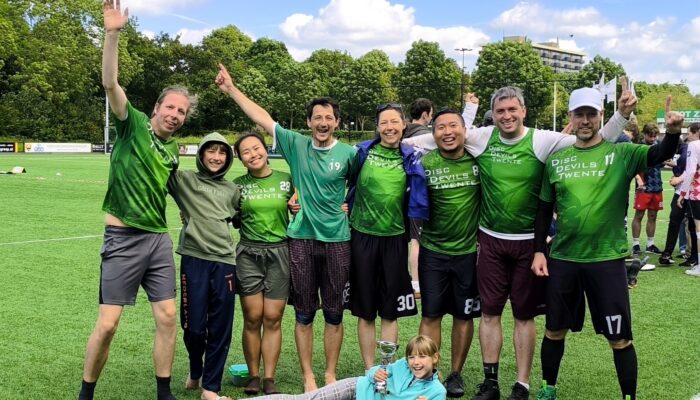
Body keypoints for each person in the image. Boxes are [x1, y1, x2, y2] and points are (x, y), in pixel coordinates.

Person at [404, 83, 636, 400]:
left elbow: (594, 139)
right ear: (494, 115)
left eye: (513, 109)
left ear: (523, 111)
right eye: (500, 111)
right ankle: (490, 382)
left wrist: (621, 116)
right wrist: (393, 140)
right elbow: (445, 134)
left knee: (524, 316)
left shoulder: (543, 140)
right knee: (489, 314)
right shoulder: (483, 137)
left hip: (529, 244)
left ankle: (522, 384)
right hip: (491, 243)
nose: (507, 115)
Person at [79, 2, 196, 399]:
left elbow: (170, 187)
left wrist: (188, 211)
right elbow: (110, 84)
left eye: (181, 112)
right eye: (170, 107)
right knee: (108, 324)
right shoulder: (133, 127)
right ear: (157, 108)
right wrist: (112, 34)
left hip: (157, 242)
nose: (175, 115)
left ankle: (163, 392)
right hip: (122, 240)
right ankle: (86, 392)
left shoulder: (172, 150)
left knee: (166, 317)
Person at [531, 90, 681, 400]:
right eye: (579, 114)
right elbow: (544, 209)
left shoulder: (621, 153)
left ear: (601, 115)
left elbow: (657, 154)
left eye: (591, 114)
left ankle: (629, 396)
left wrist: (673, 132)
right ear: (570, 118)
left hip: (607, 260)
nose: (585, 120)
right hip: (564, 259)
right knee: (554, 329)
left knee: (619, 337)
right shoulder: (556, 160)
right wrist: (537, 250)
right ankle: (548, 388)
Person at [216, 64, 356, 392]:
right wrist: (232, 89)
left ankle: (330, 373)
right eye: (317, 117)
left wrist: (350, 204)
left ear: (336, 121)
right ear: (309, 122)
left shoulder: (350, 154)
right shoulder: (295, 144)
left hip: (338, 239)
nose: (323, 122)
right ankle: (308, 375)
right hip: (300, 240)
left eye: (329, 117)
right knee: (305, 313)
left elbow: (362, 187)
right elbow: (262, 118)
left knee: (334, 313)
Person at [345, 103, 427, 370]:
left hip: (395, 239)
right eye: (383, 123)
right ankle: (370, 370)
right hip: (362, 237)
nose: (389, 127)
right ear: (377, 126)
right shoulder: (361, 152)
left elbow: (453, 134)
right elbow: (336, 179)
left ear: (403, 124)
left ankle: (387, 367)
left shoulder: (412, 155)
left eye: (394, 122)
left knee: (390, 310)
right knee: (366, 310)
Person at [167, 133, 240, 400]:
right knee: (194, 327)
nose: (216, 157)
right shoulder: (184, 180)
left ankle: (211, 388)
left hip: (225, 263)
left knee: (221, 327)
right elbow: (161, 166)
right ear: (201, 154)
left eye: (222, 152)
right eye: (211, 151)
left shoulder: (233, 190)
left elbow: (240, 217)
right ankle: (196, 369)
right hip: (194, 259)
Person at [417, 108, 481, 398]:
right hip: (432, 252)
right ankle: (430, 373)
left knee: (463, 316)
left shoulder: (479, 161)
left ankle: (455, 374)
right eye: (440, 127)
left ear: (464, 130)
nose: (447, 132)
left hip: (469, 253)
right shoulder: (424, 163)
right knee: (431, 315)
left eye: (453, 125)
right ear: (433, 134)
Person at [232, 132, 294, 395]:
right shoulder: (236, 185)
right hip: (248, 254)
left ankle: (269, 377)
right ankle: (254, 376)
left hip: (280, 252)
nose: (253, 154)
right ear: (241, 159)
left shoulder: (287, 180)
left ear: (266, 150)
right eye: (246, 152)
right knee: (253, 317)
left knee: (273, 318)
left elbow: (305, 203)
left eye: (256, 148)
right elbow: (224, 214)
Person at [250, 335, 446, 400]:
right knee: (306, 399)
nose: (415, 362)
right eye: (411, 356)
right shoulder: (402, 365)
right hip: (357, 387)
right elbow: (373, 373)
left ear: (434, 358)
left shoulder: (437, 392)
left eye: (422, 356)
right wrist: (373, 374)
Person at [403, 98, 434, 299]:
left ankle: (415, 281)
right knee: (418, 240)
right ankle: (416, 283)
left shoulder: (402, 131)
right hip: (420, 194)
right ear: (425, 114)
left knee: (411, 239)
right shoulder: (426, 135)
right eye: (431, 114)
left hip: (403, 192)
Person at [659, 122, 700, 267]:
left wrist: (679, 181)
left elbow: (691, 171)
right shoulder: (687, 148)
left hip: (690, 191)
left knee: (692, 225)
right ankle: (670, 253)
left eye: (689, 133)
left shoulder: (691, 147)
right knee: (677, 221)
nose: (686, 136)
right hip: (686, 191)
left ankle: (694, 257)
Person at [631, 124, 664, 255]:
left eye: (654, 136)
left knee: (653, 216)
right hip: (643, 188)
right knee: (639, 215)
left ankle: (650, 245)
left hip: (657, 186)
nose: (652, 138)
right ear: (644, 134)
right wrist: (639, 180)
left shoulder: (659, 146)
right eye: (650, 136)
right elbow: (633, 166)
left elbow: (662, 162)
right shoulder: (638, 147)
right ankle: (636, 244)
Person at [677, 123, 700, 277]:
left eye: (689, 132)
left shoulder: (694, 145)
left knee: (699, 231)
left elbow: (691, 170)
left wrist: (682, 193)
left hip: (697, 192)